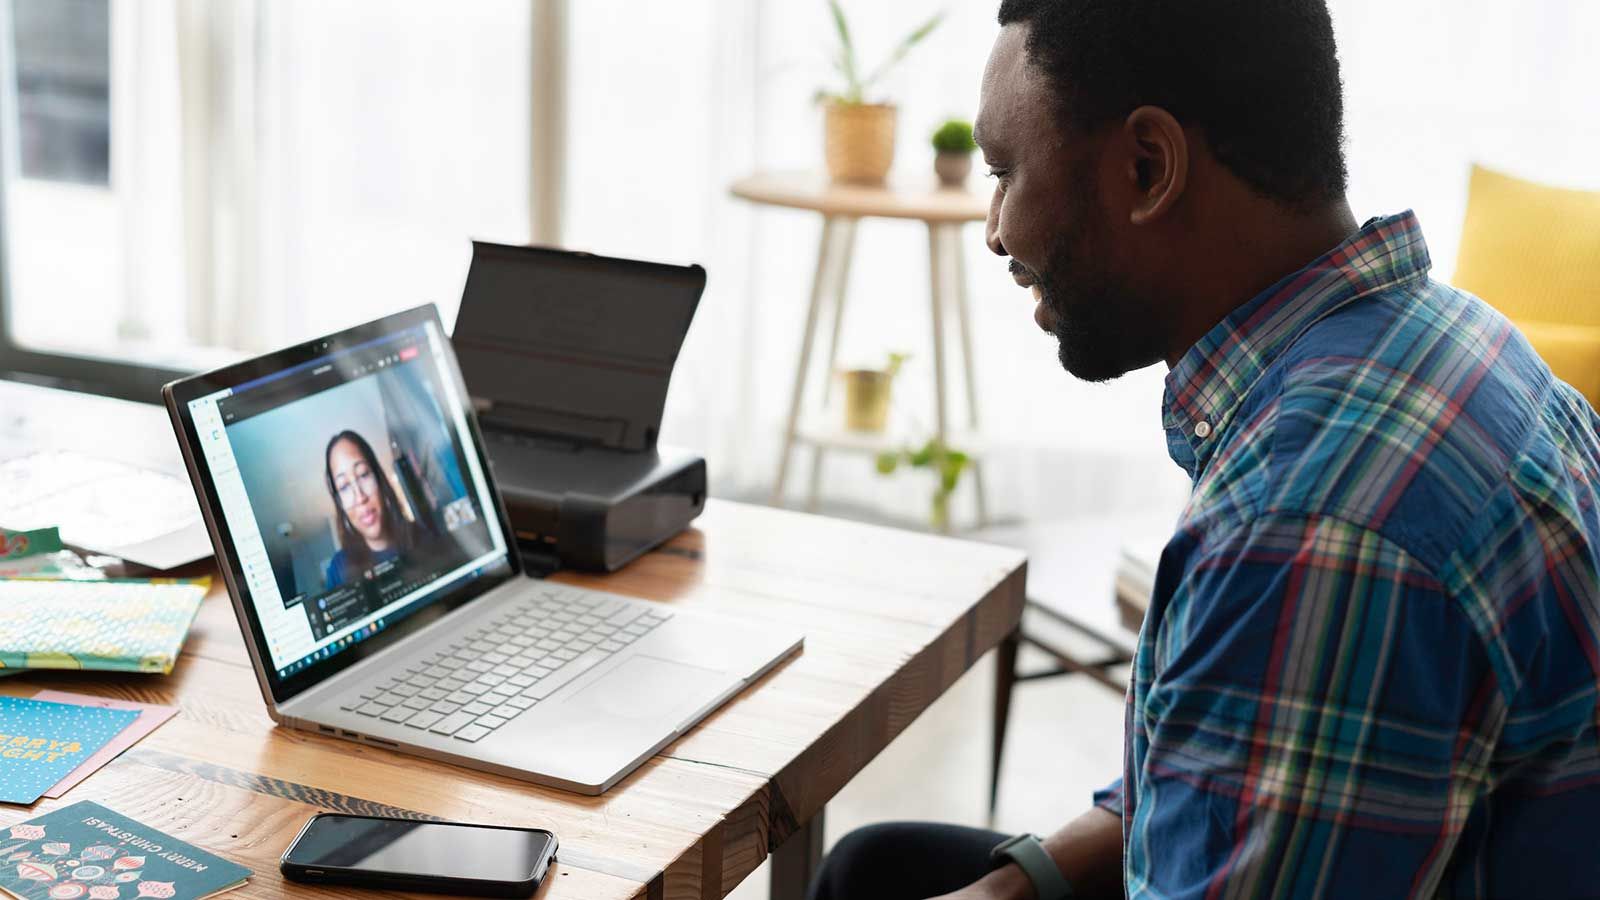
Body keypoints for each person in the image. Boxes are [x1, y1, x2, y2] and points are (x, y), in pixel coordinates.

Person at [810, 1, 1600, 898]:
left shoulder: (1309, 523)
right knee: (875, 869)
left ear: (1148, 168)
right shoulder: (1449, 340)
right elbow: (1231, 765)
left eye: (1007, 172)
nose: (996, 228)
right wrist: (1015, 885)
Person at [323, 429, 425, 589]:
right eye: (344, 487)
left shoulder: (422, 536)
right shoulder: (338, 570)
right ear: (340, 504)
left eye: (363, 474)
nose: (360, 497)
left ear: (379, 478)